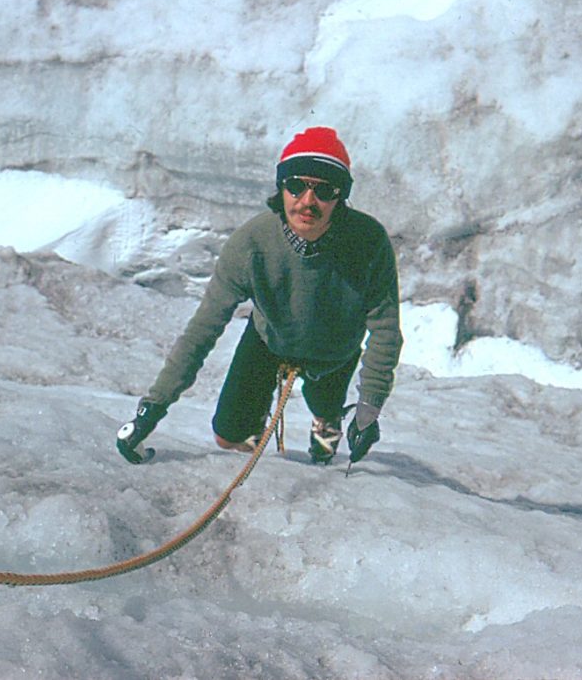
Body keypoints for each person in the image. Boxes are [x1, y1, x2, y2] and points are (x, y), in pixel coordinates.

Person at [117, 126, 402, 467]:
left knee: (324, 409)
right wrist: (152, 409)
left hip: (334, 350)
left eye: (324, 190)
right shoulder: (252, 243)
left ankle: (327, 422)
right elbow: (203, 328)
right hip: (270, 341)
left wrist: (368, 412)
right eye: (296, 186)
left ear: (340, 197)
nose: (308, 201)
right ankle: (263, 448)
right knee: (228, 435)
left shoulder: (367, 242)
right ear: (281, 188)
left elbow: (385, 330)